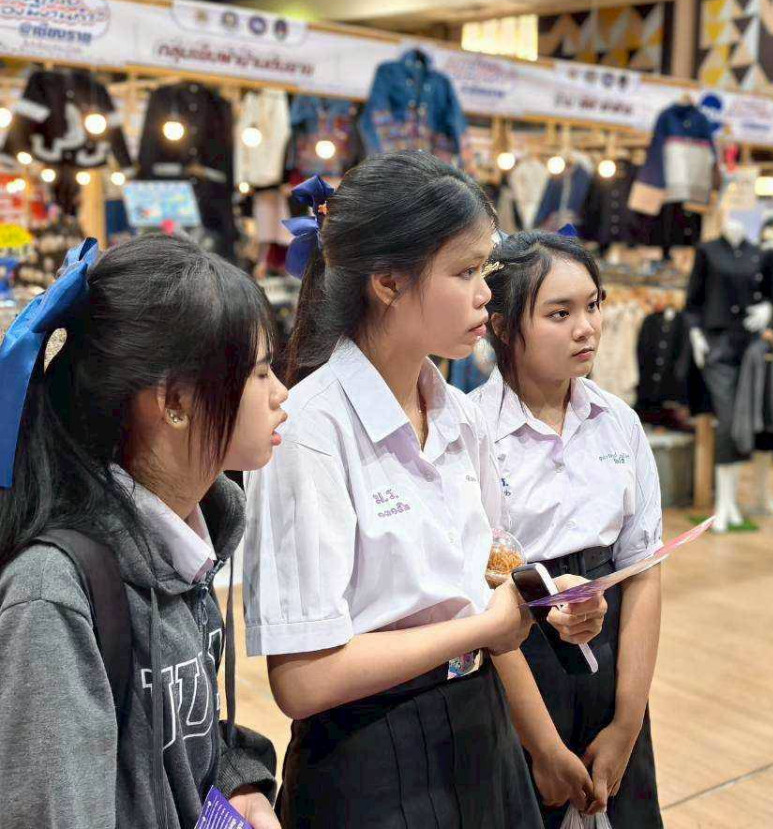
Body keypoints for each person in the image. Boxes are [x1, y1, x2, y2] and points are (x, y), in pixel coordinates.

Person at [242, 155, 606, 828]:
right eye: (464, 272)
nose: (486, 294)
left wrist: (544, 599)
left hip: (481, 734)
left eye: (484, 270)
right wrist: (479, 628)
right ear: (387, 282)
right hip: (372, 759)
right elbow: (302, 680)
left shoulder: (461, 417)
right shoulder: (311, 429)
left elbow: (486, 570)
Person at [0, 235, 283, 828]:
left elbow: (183, 738)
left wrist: (240, 783)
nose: (281, 394)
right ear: (174, 400)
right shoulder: (53, 596)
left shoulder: (188, 545)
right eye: (260, 373)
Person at [473, 232, 665, 827]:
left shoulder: (619, 422)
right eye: (560, 313)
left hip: (611, 660)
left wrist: (627, 723)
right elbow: (481, 596)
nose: (587, 328)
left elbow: (643, 573)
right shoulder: (470, 431)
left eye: (593, 305)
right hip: (516, 666)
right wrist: (545, 749)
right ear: (503, 326)